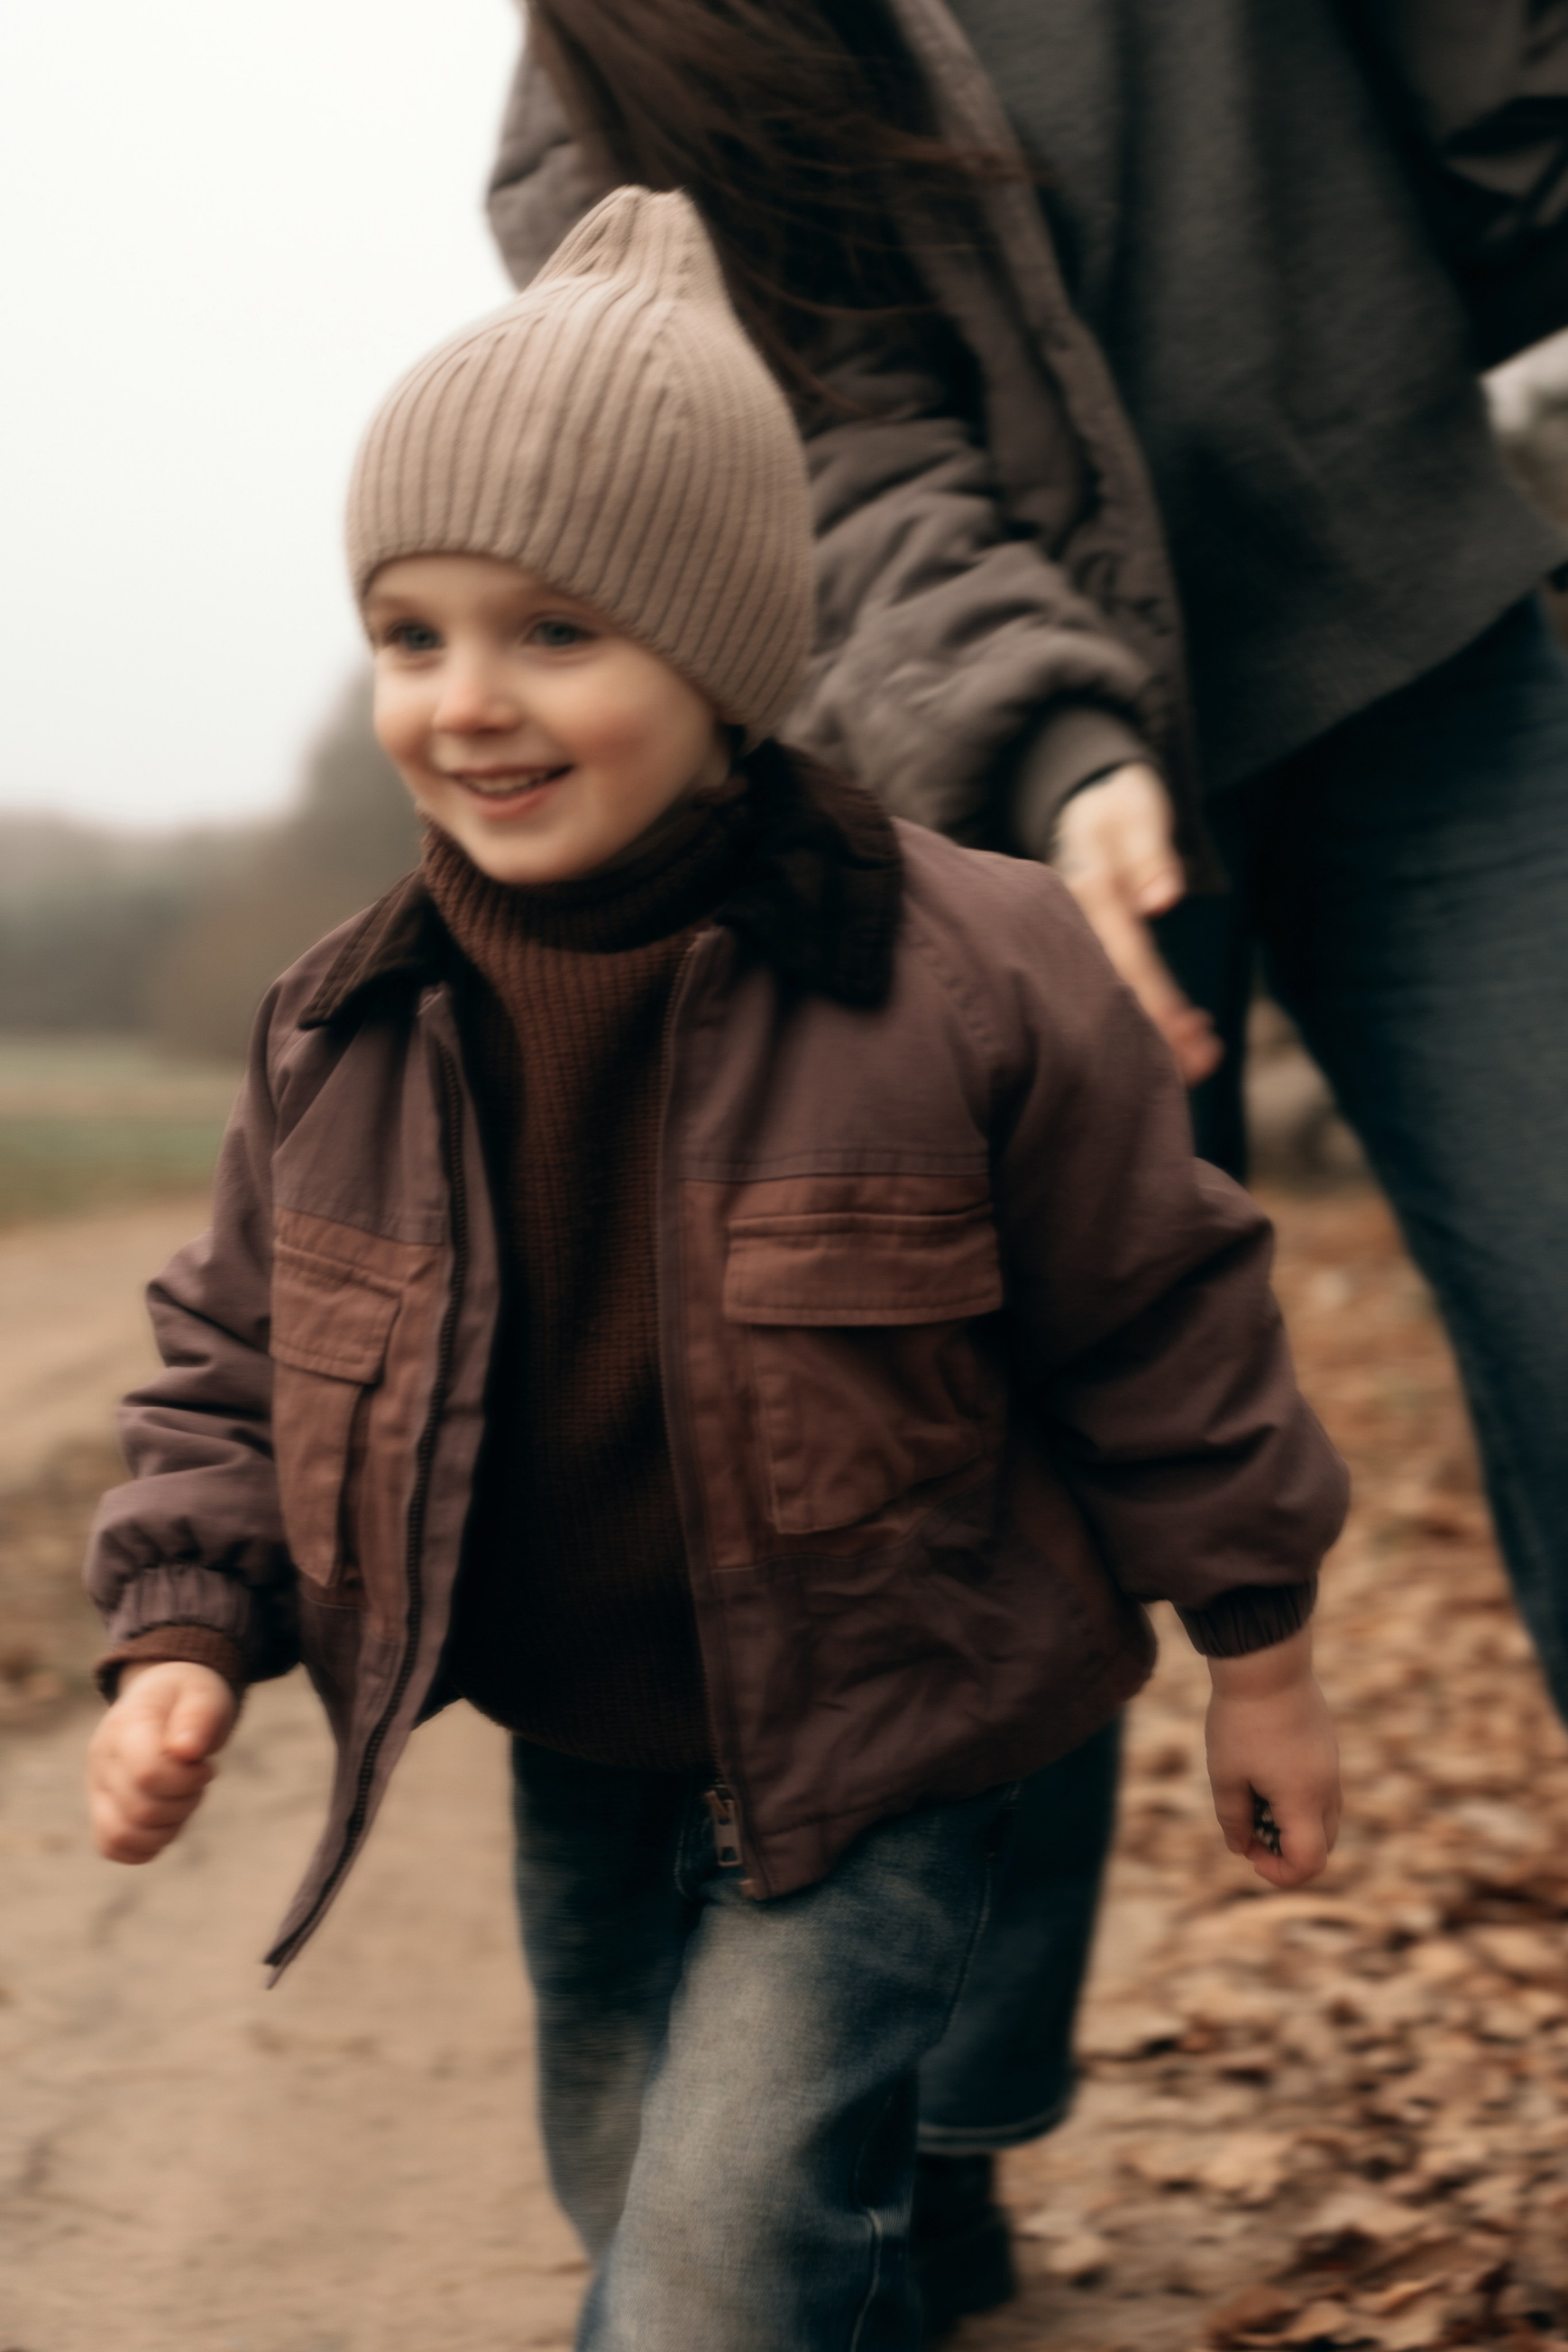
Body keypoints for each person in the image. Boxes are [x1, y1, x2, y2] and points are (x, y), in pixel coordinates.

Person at [83, 189, 1346, 2349]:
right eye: (413, 634)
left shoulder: (974, 968)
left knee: (710, 2271)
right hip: (575, 1724)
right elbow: (237, 1355)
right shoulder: (343, 1021)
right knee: (630, 2181)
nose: (468, 702)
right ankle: (894, 2254)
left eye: (557, 632)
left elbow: (1163, 1316)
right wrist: (187, 1623)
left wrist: (1261, 1648)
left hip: (885, 1734)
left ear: (729, 649)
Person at [484, 4, 1568, 2328]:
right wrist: (1041, 733)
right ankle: (922, 2150)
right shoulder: (623, 51)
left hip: (1408, 632)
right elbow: (779, 428)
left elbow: (1515, 162)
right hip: (978, 746)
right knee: (988, 1450)